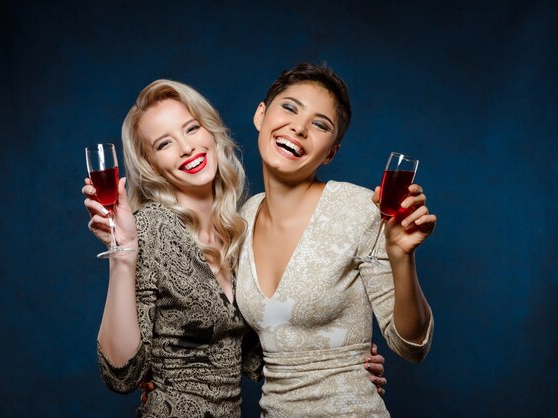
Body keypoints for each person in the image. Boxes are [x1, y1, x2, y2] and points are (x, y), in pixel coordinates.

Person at [83, 79, 387, 417]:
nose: (186, 148)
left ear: (210, 132)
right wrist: (123, 254)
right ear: (151, 163)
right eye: (165, 143)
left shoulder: (238, 228)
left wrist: (341, 362)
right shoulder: (151, 228)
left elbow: (254, 351)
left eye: (191, 128)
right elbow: (121, 375)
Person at [235, 63, 436, 417]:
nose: (298, 127)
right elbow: (241, 338)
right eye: (290, 108)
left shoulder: (359, 209)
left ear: (331, 152)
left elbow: (411, 345)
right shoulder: (241, 219)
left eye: (320, 124)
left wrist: (402, 256)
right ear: (260, 115)